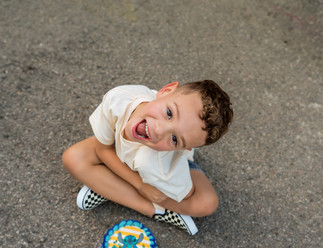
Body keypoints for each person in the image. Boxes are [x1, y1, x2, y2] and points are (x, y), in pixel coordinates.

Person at [62, 80, 233, 235]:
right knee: (72, 158)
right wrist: (141, 186)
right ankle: (146, 204)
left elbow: (186, 196)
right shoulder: (119, 99)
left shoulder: (157, 164)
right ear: (165, 90)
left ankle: (124, 194)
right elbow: (102, 148)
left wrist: (158, 195)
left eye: (174, 139)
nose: (159, 130)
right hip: (120, 150)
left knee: (207, 203)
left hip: (167, 169)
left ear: (185, 148)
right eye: (169, 113)